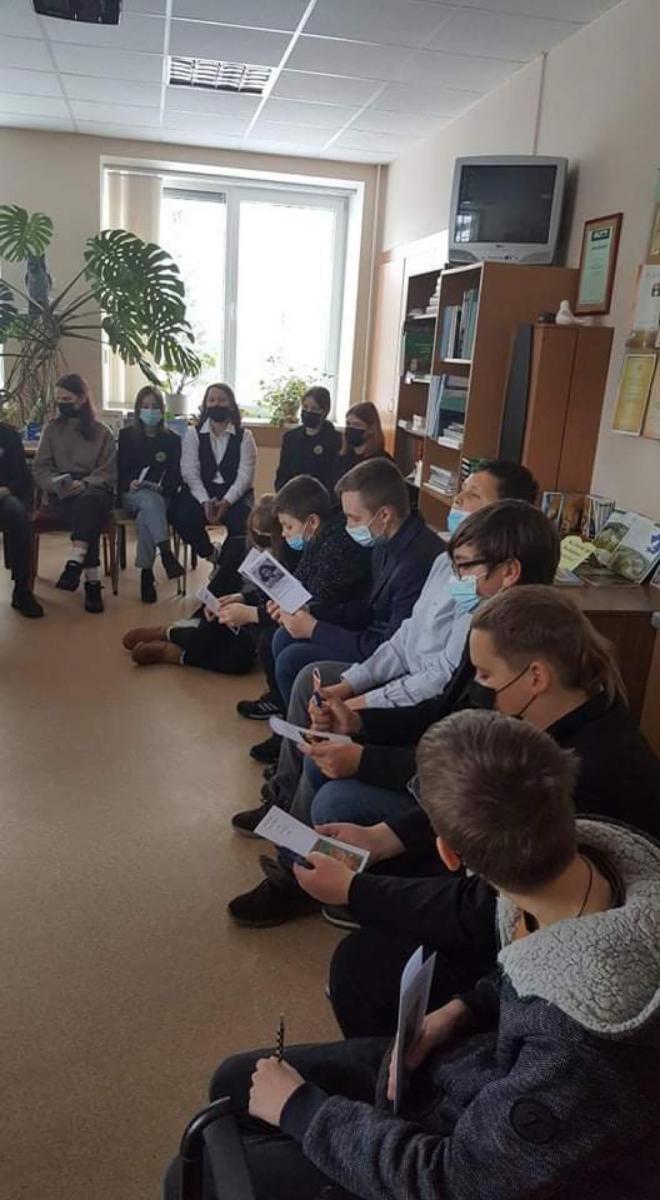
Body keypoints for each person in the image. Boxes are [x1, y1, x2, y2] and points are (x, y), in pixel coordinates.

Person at [165, 712, 660, 1200]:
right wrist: (463, 1008)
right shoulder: (593, 874)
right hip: (477, 1078)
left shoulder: (578, 1052)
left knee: (196, 1174)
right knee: (233, 1081)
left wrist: (301, 1110)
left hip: (469, 1152)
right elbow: (541, 965)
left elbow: (453, 1180)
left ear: (449, 855)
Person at [300, 585, 660, 1038]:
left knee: (362, 963)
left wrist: (357, 891)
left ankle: (398, 1066)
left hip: (539, 938)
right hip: (521, 903)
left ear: (535, 677)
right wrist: (382, 837)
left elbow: (493, 910)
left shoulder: (589, 772)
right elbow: (475, 801)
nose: (480, 688)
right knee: (385, 870)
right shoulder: (562, 715)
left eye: (487, 676)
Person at [227, 500, 560, 926]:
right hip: (439, 755)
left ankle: (318, 878)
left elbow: (468, 765)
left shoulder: (510, 655)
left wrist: (365, 752)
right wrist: (359, 721)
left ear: (510, 571)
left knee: (336, 795)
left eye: (464, 567)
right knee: (324, 743)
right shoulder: (492, 627)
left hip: (459, 794)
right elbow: (442, 710)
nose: (455, 576)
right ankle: (299, 861)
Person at [232, 459, 539, 829]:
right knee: (302, 671)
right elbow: (403, 636)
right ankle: (287, 794)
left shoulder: (480, 599)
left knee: (307, 685)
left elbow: (437, 691)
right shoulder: (444, 562)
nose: (457, 499)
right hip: (402, 679)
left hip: (420, 706)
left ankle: (294, 819)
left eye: (472, 495)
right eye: (460, 489)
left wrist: (358, 705)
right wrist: (349, 687)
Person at [262, 458, 441, 719]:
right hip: (371, 637)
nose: (347, 527)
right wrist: (313, 612)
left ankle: (309, 732)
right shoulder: (384, 540)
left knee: (293, 660)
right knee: (283, 637)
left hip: (389, 658)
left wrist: (315, 628)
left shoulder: (417, 561)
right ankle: (295, 726)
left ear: (384, 515)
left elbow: (391, 648)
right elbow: (367, 608)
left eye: (353, 518)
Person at [234, 475, 372, 728]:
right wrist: (272, 602)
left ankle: (293, 722)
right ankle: (284, 710)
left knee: (279, 644)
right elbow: (300, 584)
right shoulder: (319, 538)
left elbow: (319, 600)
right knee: (274, 636)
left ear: (312, 522)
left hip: (343, 625)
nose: (284, 534)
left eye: (288, 526)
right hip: (323, 615)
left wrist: (257, 612)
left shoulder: (337, 547)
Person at [32, 373, 116, 613]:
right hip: (62, 492)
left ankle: (76, 563)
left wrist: (86, 483)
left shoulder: (102, 432)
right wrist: (56, 484)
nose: (62, 403)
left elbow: (108, 472)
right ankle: (91, 580)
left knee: (89, 503)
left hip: (94, 489)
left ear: (81, 399)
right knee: (87, 512)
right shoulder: (51, 430)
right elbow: (40, 468)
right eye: (58, 399)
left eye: (67, 399)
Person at [170, 383, 256, 559]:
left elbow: (245, 476)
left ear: (231, 405)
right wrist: (204, 501)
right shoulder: (193, 435)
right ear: (205, 404)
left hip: (234, 493)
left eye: (222, 400)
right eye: (212, 400)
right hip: (201, 491)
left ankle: (226, 564)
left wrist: (226, 502)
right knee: (181, 515)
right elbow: (190, 473)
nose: (216, 404)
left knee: (244, 523)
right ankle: (210, 554)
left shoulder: (245, 437)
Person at [117, 385, 184, 604]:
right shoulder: (126, 436)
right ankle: (166, 554)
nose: (150, 410)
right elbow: (119, 472)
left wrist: (161, 487)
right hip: (132, 494)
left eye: (155, 406)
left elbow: (176, 475)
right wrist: (130, 482)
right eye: (145, 406)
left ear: (162, 410)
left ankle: (147, 573)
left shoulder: (172, 440)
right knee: (149, 501)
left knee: (148, 511)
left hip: (161, 496)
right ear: (138, 410)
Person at [0, 422, 43, 618]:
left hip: (3, 496)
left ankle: (21, 590)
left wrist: (7, 489)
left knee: (18, 514)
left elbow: (21, 478)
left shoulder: (9, 435)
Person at [274, 386, 341, 492]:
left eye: (314, 409)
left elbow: (333, 479)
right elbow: (282, 474)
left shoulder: (335, 440)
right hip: (292, 496)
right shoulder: (290, 438)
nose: (308, 411)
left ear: (324, 411)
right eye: (305, 407)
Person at [331, 401, 392, 486]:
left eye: (357, 425)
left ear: (371, 429)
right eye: (348, 424)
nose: (351, 428)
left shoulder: (382, 462)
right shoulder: (343, 455)